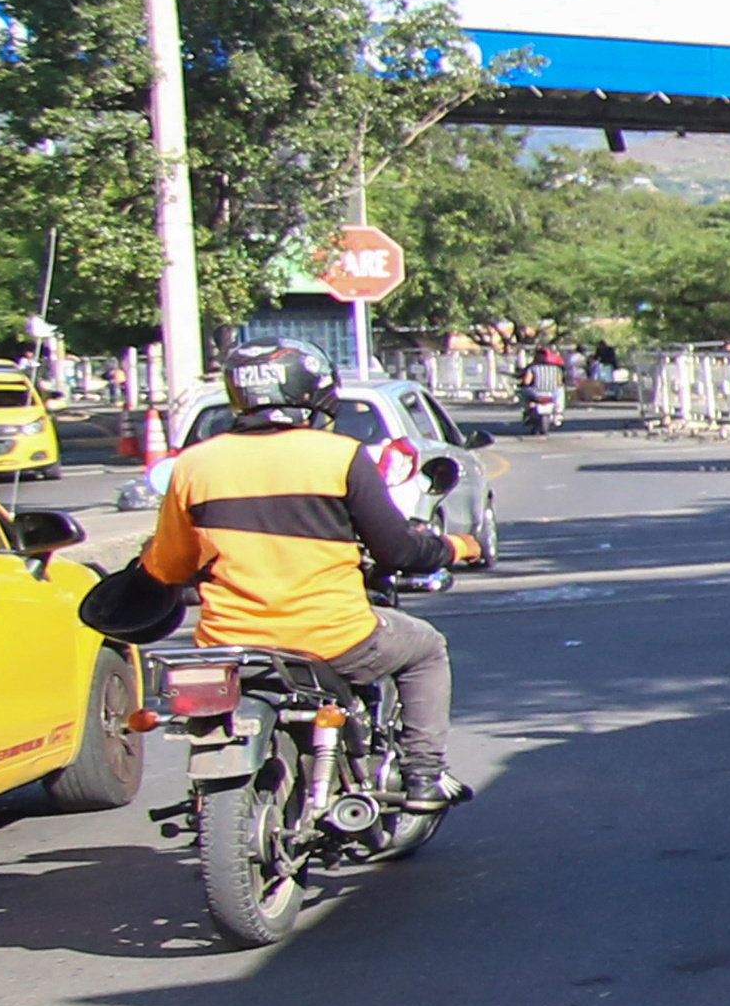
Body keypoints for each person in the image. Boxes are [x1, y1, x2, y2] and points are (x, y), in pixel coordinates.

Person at [139, 338, 480, 804]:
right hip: (333, 639)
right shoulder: (339, 455)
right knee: (426, 649)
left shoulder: (193, 464)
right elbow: (398, 549)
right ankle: (424, 774)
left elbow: (170, 564)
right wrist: (455, 546)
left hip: (230, 645)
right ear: (313, 393)